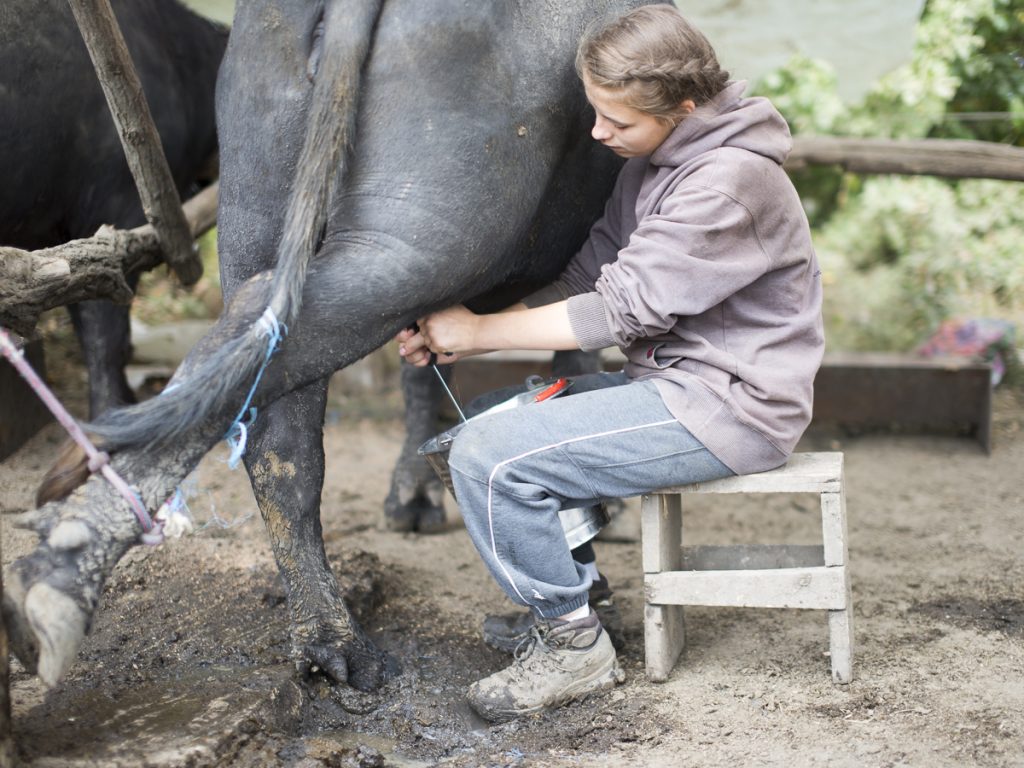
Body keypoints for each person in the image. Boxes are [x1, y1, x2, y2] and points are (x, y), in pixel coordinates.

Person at [398, 5, 824, 722]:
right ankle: (580, 593)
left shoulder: (729, 183)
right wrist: (461, 335)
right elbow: (586, 278)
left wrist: (475, 334)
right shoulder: (656, 164)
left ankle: (573, 647)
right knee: (496, 422)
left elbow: (621, 312)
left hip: (732, 409)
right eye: (596, 114)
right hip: (675, 389)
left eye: (617, 122)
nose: (600, 134)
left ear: (684, 108)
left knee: (490, 457)